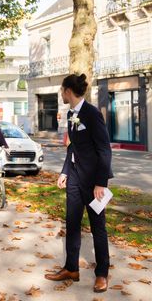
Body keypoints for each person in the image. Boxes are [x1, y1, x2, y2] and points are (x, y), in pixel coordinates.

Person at [45, 74, 112, 293]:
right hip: (74, 178)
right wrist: (65, 171)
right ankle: (71, 268)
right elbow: (72, 147)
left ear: (67, 91)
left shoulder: (92, 114)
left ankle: (102, 273)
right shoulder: (71, 114)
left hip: (93, 182)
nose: (60, 94)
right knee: (72, 224)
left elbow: (104, 149)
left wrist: (101, 182)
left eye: (61, 91)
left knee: (97, 227)